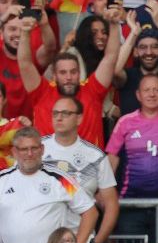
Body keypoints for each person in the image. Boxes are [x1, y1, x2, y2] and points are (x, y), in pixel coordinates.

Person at [0, 127, 97, 243]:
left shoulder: (60, 179)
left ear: (42, 149)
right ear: (14, 152)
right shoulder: (2, 180)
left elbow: (90, 212)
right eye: (24, 149)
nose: (29, 154)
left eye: (34, 148)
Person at [107, 74, 158, 243]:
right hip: (129, 203)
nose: (152, 94)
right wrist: (108, 194)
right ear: (138, 95)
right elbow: (111, 159)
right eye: (147, 90)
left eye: (156, 90)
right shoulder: (125, 122)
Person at [18, 15, 118, 147]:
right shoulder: (42, 93)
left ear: (79, 73)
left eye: (73, 72)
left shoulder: (93, 91)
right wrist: (25, 33)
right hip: (48, 166)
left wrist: (115, 25)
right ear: (54, 75)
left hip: (88, 166)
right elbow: (25, 64)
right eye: (63, 72)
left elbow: (110, 57)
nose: (69, 77)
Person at [42, 96, 119, 243]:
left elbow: (111, 204)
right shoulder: (36, 151)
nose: (59, 117)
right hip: (42, 241)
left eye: (65, 113)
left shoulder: (95, 156)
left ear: (79, 118)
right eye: (55, 113)